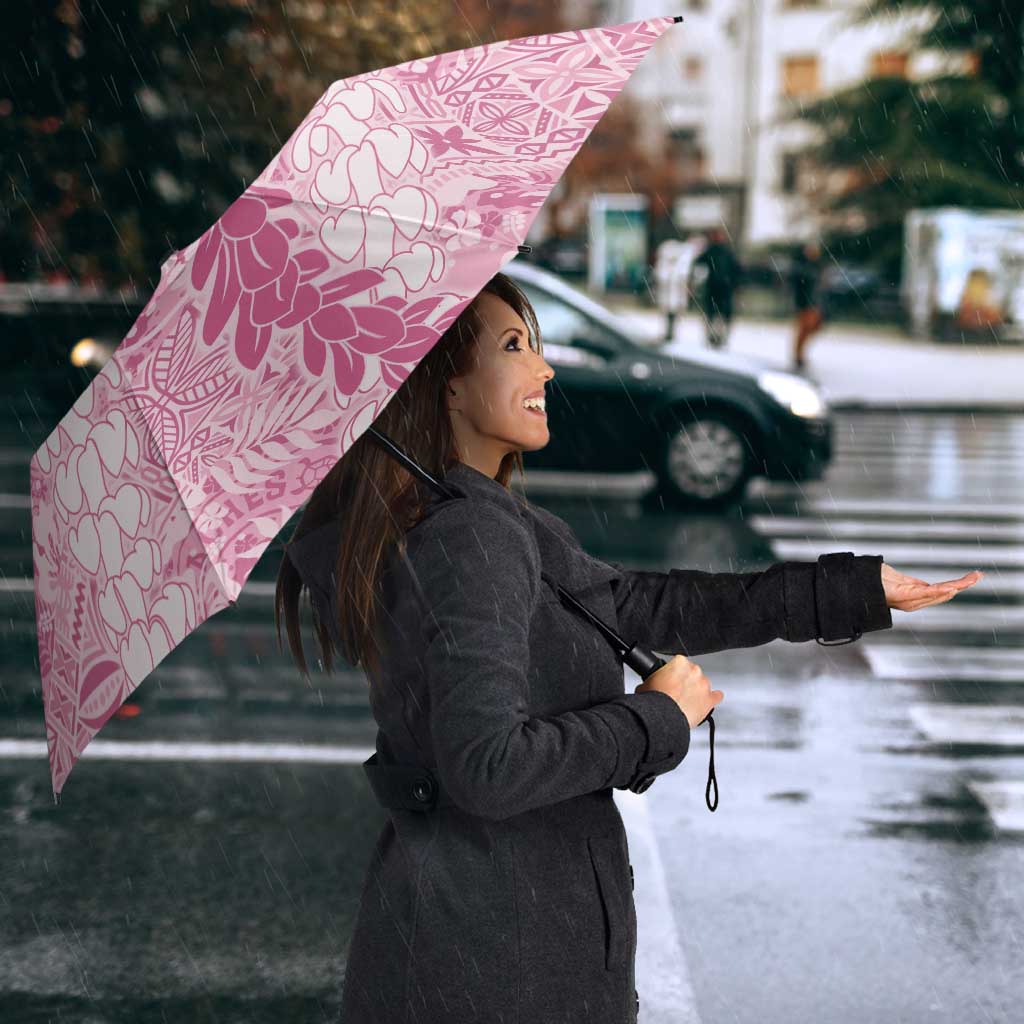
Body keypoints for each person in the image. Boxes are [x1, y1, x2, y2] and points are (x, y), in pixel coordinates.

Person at [274, 271, 972, 1024]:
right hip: (501, 962)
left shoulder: (473, 517)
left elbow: (638, 605)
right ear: (445, 386)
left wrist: (850, 592)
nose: (544, 368)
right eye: (515, 346)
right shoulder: (469, 536)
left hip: (480, 940)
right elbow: (488, 767)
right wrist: (657, 719)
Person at [692, 226, 742, 349]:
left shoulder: (725, 252)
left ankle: (719, 337)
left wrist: (735, 284)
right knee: (713, 314)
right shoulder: (712, 251)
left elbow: (736, 270)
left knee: (720, 315)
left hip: (723, 288)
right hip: (715, 288)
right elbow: (698, 264)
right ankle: (713, 337)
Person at [790, 239, 826, 370]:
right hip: (805, 303)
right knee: (804, 329)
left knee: (812, 328)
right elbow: (799, 286)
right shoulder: (802, 267)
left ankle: (799, 354)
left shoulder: (817, 266)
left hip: (814, 303)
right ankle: (798, 355)